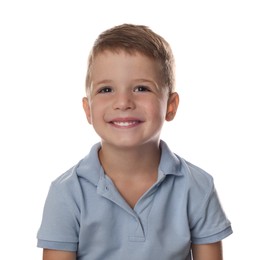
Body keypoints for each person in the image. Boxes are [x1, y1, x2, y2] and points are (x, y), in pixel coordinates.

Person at [37, 23, 233, 260]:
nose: (123, 102)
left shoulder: (197, 187)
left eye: (141, 88)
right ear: (88, 110)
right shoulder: (67, 192)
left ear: (170, 106)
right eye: (106, 89)